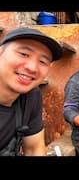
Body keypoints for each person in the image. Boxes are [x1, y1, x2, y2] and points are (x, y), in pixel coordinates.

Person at [0, 27, 63, 156]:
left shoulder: (32, 95)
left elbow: (34, 148)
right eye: (23, 54)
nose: (32, 68)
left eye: (42, 61)